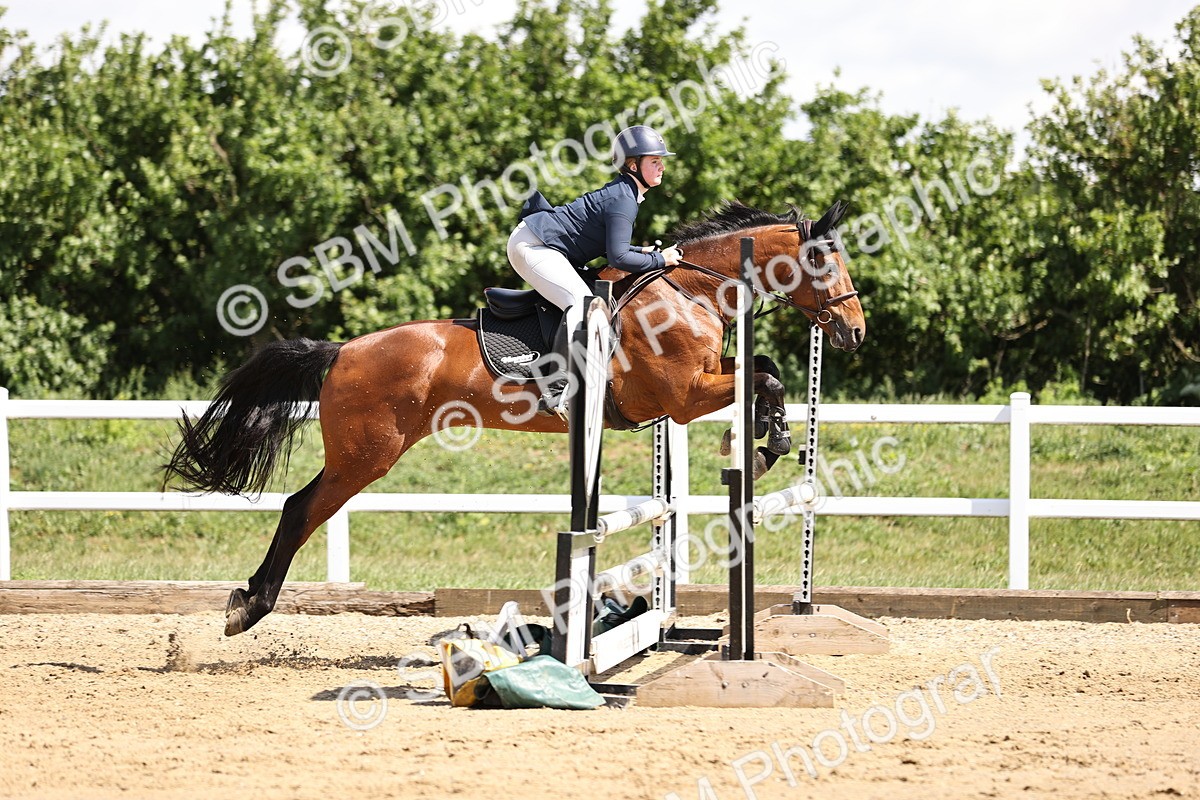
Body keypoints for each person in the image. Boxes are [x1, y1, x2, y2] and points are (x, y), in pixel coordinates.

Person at [507, 125, 683, 418]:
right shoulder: (623, 199)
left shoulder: (626, 193)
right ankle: (557, 387)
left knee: (585, 297)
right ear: (632, 165)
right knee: (581, 301)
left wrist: (643, 253)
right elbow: (618, 256)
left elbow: (613, 248)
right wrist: (661, 261)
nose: (662, 166)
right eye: (654, 161)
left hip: (542, 243)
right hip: (533, 245)